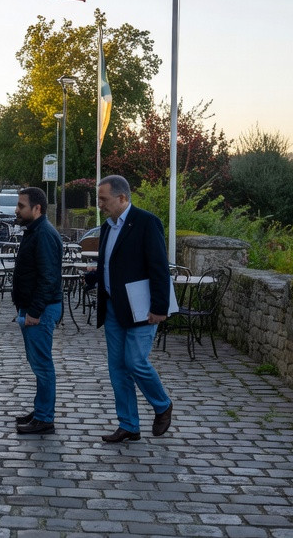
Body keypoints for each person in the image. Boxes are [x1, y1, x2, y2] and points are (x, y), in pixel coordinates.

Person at [88, 174, 175, 443]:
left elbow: (159, 266)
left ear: (122, 197)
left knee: (135, 361)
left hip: (142, 308)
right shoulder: (107, 226)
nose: (99, 204)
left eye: (103, 199)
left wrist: (160, 307)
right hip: (114, 307)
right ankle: (128, 425)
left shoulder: (147, 222)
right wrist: (94, 277)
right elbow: (111, 264)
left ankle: (162, 405)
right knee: (117, 368)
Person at [11, 186, 63, 435]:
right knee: (38, 364)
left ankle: (44, 418)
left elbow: (48, 278)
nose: (16, 209)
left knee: (42, 366)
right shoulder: (35, 230)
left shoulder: (43, 233)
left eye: (21, 206)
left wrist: (34, 311)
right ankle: (41, 410)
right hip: (32, 307)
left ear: (37, 208)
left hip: (40, 311)